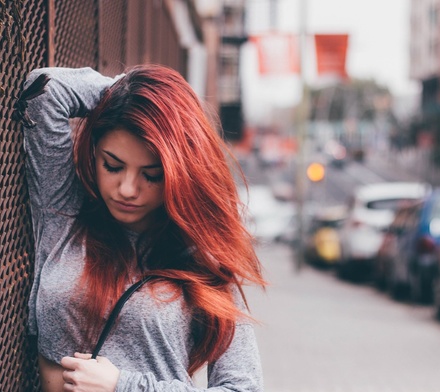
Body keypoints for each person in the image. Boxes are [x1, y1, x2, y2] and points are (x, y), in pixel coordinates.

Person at [17, 64, 266, 392]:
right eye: (113, 166)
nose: (127, 189)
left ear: (179, 173)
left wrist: (124, 387)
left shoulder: (202, 262)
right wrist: (129, 94)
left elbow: (243, 388)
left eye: (151, 174)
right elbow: (44, 91)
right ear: (95, 155)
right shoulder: (64, 215)